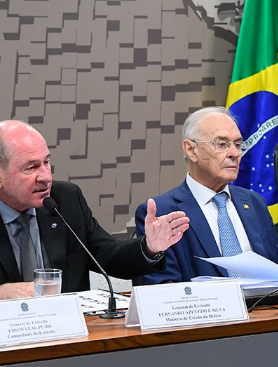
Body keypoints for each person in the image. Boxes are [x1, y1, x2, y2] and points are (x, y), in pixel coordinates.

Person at [0, 120, 189, 299]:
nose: (46, 177)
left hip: (68, 319)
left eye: (46, 162)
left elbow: (108, 255)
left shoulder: (65, 199)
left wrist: (150, 247)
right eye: (31, 167)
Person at [134, 106, 278, 285]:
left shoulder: (254, 203)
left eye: (237, 144)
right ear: (191, 150)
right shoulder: (163, 213)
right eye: (222, 144)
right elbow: (159, 289)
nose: (235, 154)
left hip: (267, 303)